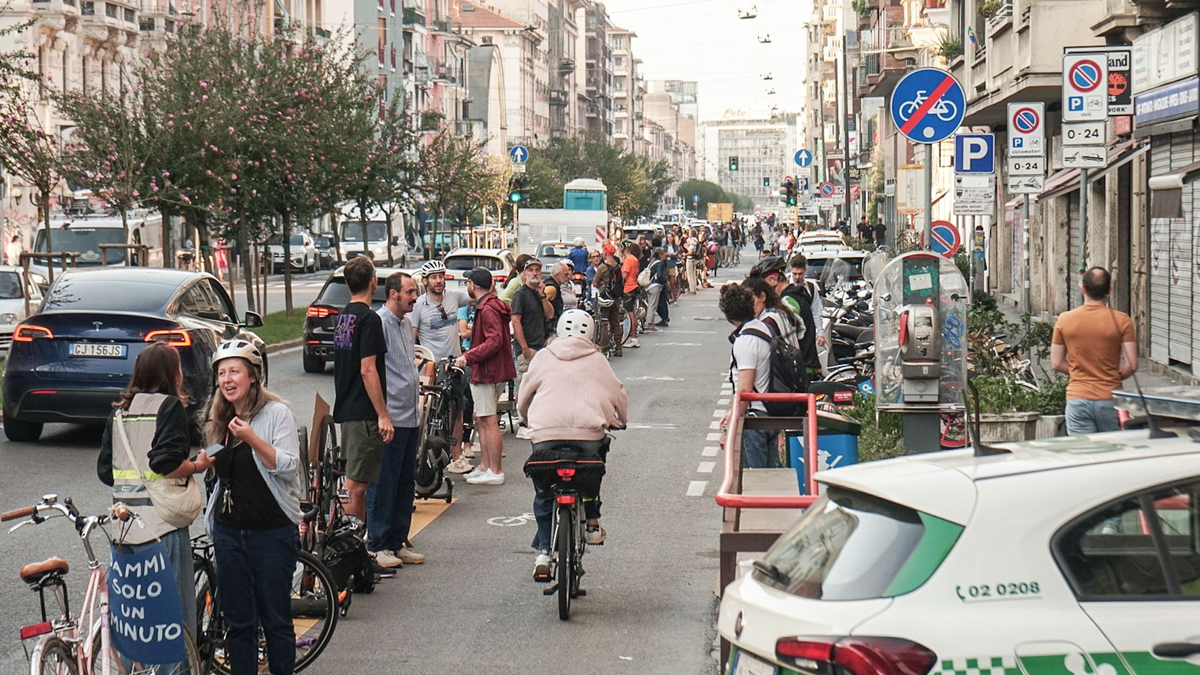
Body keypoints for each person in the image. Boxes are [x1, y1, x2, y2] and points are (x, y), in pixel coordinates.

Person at [205, 340, 303, 675]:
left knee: (275, 619)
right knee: (239, 622)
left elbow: (289, 466)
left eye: (234, 372)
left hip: (271, 533)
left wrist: (252, 439)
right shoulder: (221, 418)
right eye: (221, 373)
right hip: (230, 532)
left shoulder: (277, 414)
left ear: (253, 377)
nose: (227, 380)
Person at [98, 342, 207, 643]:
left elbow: (106, 471)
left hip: (124, 530)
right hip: (162, 527)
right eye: (179, 368)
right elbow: (166, 463)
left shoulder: (118, 414)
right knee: (173, 623)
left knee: (136, 622)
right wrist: (197, 466)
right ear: (171, 374)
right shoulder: (168, 407)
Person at [518, 309, 628, 580]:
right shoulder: (598, 359)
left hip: (545, 433)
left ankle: (544, 552)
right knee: (593, 466)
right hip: (588, 435)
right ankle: (591, 520)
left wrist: (525, 417)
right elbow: (618, 392)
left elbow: (525, 392)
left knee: (544, 490)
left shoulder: (543, 356)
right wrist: (620, 420)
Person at [371, 272, 426, 568]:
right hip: (391, 415)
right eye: (409, 292)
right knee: (384, 483)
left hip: (409, 414)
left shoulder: (405, 323)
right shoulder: (380, 323)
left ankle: (397, 540)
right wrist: (382, 414)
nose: (414, 297)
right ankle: (378, 544)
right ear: (393, 294)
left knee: (406, 482)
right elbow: (371, 370)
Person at [332, 257, 393, 522]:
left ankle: (356, 544)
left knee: (356, 482)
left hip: (347, 407)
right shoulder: (369, 319)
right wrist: (382, 414)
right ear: (373, 282)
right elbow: (368, 369)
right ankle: (349, 545)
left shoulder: (344, 316)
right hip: (363, 412)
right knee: (356, 485)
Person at [1051, 267, 1137, 435]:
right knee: (1112, 454)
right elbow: (1132, 365)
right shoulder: (1122, 321)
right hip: (1110, 399)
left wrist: (1079, 372)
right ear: (1109, 290)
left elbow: (1056, 363)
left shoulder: (1064, 319)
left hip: (1077, 398)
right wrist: (1113, 376)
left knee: (1084, 453)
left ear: (1083, 289)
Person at [455, 267, 516, 485]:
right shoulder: (491, 305)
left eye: (467, 283)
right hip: (493, 370)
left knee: (488, 420)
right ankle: (485, 466)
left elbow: (494, 341)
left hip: (488, 371)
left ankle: (495, 469)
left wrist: (469, 356)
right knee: (482, 418)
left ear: (473, 284)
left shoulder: (487, 309)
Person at [412, 259, 472, 471]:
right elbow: (412, 338)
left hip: (455, 363)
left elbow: (477, 297)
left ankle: (456, 457)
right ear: (426, 281)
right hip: (432, 365)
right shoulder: (419, 305)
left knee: (457, 409)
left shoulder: (454, 297)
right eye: (434, 277)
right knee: (428, 411)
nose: (438, 281)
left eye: (441, 276)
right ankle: (424, 453)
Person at [718, 284, 779, 469]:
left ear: (727, 313)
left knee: (754, 481)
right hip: (771, 412)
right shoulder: (764, 329)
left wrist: (730, 428)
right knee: (769, 480)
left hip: (754, 418)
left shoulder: (745, 341)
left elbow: (744, 391)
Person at [511, 257, 554, 441]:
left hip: (541, 346)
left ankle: (534, 420)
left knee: (539, 387)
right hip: (527, 348)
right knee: (524, 385)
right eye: (531, 270)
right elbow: (516, 321)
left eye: (537, 270)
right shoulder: (520, 294)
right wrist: (524, 347)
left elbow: (550, 314)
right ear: (525, 273)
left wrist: (543, 295)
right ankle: (522, 423)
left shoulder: (538, 293)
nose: (535, 273)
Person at [782, 253, 824, 377]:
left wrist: (820, 334)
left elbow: (816, 311)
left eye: (800, 274)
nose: (797, 277)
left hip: (807, 335)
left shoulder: (810, 288)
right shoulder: (784, 286)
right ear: (791, 270)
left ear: (805, 270)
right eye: (795, 274)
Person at [744, 276, 801, 352]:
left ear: (763, 296)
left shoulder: (769, 322)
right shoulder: (780, 311)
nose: (748, 305)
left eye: (751, 300)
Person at [455, 294, 477, 467]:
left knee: (470, 403)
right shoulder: (464, 308)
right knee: (463, 400)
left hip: (482, 355)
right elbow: (463, 332)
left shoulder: (490, 307)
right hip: (465, 355)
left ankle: (467, 442)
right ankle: (459, 444)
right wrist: (479, 328)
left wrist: (472, 327)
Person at [593, 245, 625, 357]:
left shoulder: (602, 267)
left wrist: (600, 285)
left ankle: (605, 347)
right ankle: (618, 347)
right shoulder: (618, 266)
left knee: (604, 322)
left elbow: (595, 282)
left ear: (605, 253)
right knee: (615, 322)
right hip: (616, 298)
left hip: (605, 299)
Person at [620, 241, 642, 348]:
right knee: (632, 314)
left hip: (628, 288)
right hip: (634, 286)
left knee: (629, 314)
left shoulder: (628, 260)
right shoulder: (635, 259)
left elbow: (624, 275)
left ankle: (632, 337)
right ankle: (634, 337)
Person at [645, 247, 668, 332]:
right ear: (660, 254)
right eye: (664, 253)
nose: (665, 255)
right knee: (653, 305)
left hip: (649, 285)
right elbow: (659, 275)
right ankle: (650, 323)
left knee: (651, 304)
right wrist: (665, 280)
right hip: (655, 285)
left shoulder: (652, 261)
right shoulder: (660, 263)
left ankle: (650, 322)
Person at [664, 232, 680, 303]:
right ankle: (668, 297)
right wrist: (671, 254)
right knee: (665, 283)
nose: (669, 239)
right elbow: (664, 255)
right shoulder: (664, 246)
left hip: (672, 266)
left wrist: (670, 255)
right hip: (665, 266)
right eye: (668, 237)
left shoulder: (675, 246)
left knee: (672, 283)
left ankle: (675, 297)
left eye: (671, 237)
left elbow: (676, 256)